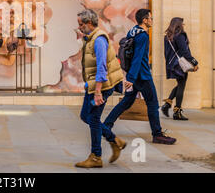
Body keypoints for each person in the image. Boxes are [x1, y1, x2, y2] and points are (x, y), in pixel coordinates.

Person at [104, 9, 177, 145]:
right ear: (145, 20)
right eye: (151, 18)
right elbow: (137, 58)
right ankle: (157, 134)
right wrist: (131, 78)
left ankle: (106, 125)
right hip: (142, 76)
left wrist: (131, 76)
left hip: (135, 74)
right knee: (153, 103)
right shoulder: (143, 36)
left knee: (126, 102)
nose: (152, 20)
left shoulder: (133, 31)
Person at [74, 9, 126, 168]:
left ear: (89, 23)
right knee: (85, 116)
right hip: (93, 85)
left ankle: (96, 156)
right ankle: (115, 140)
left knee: (94, 118)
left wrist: (97, 91)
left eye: (81, 24)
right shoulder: (90, 38)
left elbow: (101, 67)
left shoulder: (98, 40)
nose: (79, 27)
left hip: (101, 86)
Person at [161, 17, 198, 120]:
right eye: (182, 24)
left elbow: (166, 53)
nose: (183, 25)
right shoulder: (180, 35)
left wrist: (170, 64)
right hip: (180, 64)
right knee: (181, 85)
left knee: (180, 84)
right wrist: (194, 62)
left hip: (172, 64)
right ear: (179, 24)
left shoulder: (167, 37)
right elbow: (184, 51)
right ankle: (177, 112)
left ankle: (167, 104)